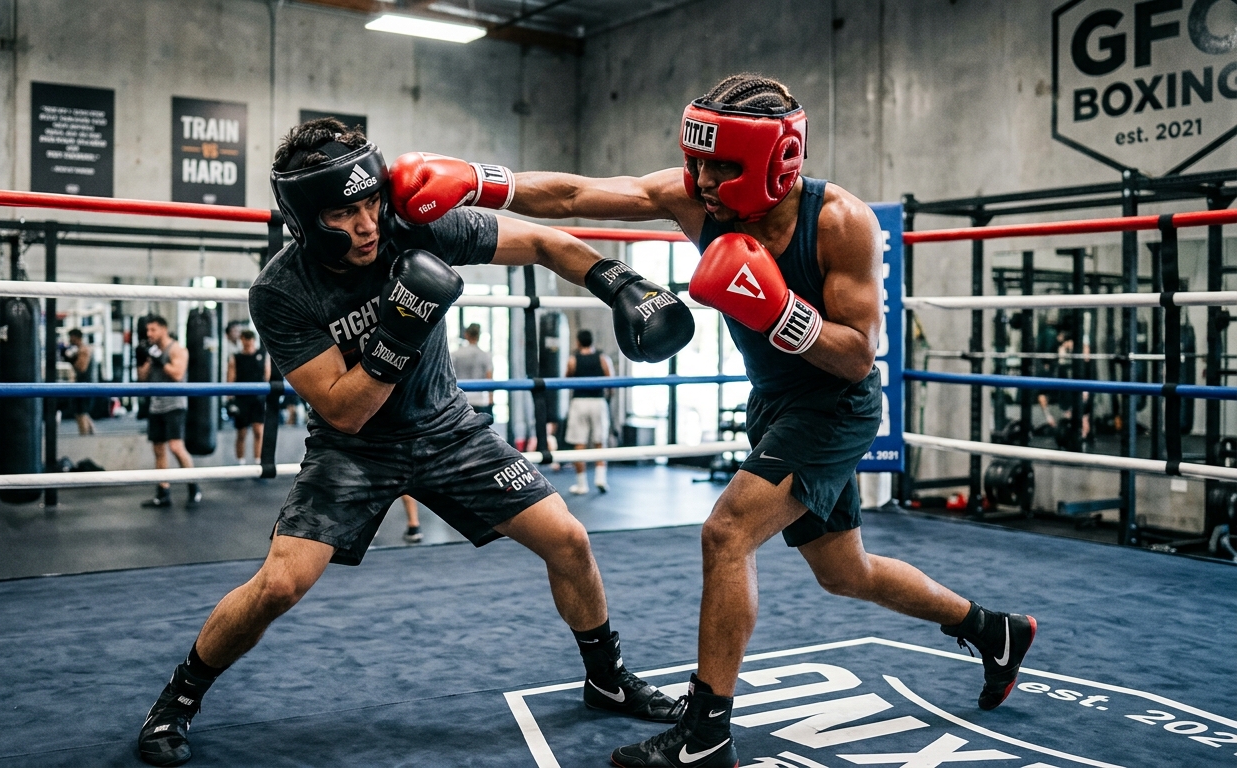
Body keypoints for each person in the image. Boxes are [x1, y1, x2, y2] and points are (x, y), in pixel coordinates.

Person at [395, 73, 1038, 768]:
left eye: (720, 164)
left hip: (833, 406)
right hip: (775, 404)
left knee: (726, 533)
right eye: (696, 160)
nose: (700, 178)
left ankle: (707, 735)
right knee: (844, 571)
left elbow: (858, 357)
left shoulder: (837, 221)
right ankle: (994, 629)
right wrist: (480, 180)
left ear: (777, 158)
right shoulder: (697, 199)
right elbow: (580, 194)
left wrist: (779, 312)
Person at [135, 117, 693, 766]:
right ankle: (178, 698)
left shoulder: (413, 223)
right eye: (346, 212)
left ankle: (607, 679)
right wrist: (399, 330)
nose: (369, 224)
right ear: (308, 219)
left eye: (371, 202)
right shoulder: (282, 291)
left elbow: (541, 240)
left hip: (448, 432)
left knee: (569, 538)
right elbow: (343, 410)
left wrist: (615, 281)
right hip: (355, 450)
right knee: (281, 585)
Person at [137, 316, 200, 508]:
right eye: (148, 330)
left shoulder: (177, 349)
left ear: (163, 329)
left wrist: (159, 360)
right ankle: (163, 492)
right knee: (158, 450)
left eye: (153, 330)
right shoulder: (152, 350)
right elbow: (142, 378)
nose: (149, 334)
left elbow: (178, 374)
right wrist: (145, 359)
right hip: (156, 404)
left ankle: (193, 485)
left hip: (174, 404)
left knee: (175, 447)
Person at [565, 329, 612, 495]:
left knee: (579, 443)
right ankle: (600, 479)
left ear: (578, 342)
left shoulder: (573, 360)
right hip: (598, 401)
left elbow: (567, 380)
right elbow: (610, 381)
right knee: (600, 442)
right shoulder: (602, 358)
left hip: (579, 402)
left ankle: (582, 484)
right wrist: (608, 400)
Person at [225, 329, 269, 464]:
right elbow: (230, 377)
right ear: (242, 340)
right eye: (245, 339)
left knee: (258, 431)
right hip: (241, 398)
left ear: (253, 341)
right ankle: (241, 463)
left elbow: (266, 375)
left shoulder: (262, 355)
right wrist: (229, 398)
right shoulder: (236, 357)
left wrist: (264, 394)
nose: (248, 342)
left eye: (250, 339)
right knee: (242, 433)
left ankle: (257, 461)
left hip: (258, 398)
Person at [450, 322, 494, 416]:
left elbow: (449, 377)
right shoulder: (485, 355)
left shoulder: (456, 354)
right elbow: (489, 377)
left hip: (460, 399)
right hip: (480, 400)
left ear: (466, 335)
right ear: (479, 336)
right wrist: (491, 399)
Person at [63, 328, 97, 435]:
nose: (70, 340)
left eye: (71, 337)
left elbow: (81, 368)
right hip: (83, 385)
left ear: (76, 337)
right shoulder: (80, 349)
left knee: (80, 413)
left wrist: (71, 360)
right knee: (82, 413)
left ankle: (84, 438)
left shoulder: (83, 350)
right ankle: (92, 436)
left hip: (85, 386)